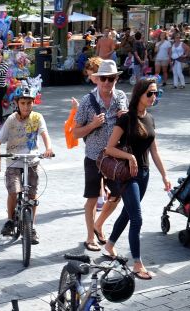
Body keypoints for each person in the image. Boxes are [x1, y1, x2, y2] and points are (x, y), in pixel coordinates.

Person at [98, 77, 171, 280]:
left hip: (144, 174)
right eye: (150, 93)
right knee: (137, 218)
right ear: (139, 94)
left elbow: (154, 151)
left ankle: (110, 244)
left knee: (129, 213)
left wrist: (165, 175)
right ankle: (137, 263)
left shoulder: (150, 119)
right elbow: (109, 148)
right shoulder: (126, 119)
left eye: (156, 93)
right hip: (127, 175)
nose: (153, 97)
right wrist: (129, 156)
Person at [0, 87, 55, 245]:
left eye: (29, 103)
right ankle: (10, 220)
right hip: (14, 161)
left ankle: (31, 226)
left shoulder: (38, 118)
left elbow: (45, 134)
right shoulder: (11, 120)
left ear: (33, 103)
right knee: (13, 191)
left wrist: (48, 148)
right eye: (23, 103)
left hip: (32, 161)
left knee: (32, 195)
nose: (26, 106)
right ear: (17, 103)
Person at [72, 60, 129, 252]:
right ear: (96, 80)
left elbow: (129, 124)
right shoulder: (88, 101)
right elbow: (75, 132)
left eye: (111, 79)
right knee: (92, 197)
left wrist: (127, 116)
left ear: (116, 79)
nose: (107, 83)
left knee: (117, 194)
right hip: (94, 157)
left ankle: (99, 224)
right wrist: (93, 125)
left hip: (115, 156)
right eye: (103, 78)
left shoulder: (121, 97)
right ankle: (90, 236)